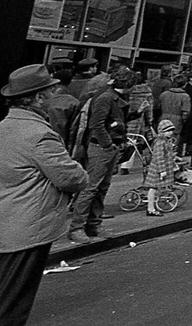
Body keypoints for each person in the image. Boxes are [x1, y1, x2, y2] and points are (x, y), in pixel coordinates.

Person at [0, 65, 90, 325]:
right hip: (27, 227)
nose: (55, 95)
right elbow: (71, 177)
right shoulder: (40, 134)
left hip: (6, 220)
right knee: (13, 302)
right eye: (51, 91)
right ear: (38, 98)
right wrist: (80, 171)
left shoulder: (5, 126)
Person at [68, 70, 132, 243]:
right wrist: (108, 144)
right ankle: (77, 227)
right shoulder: (106, 98)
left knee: (101, 187)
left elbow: (116, 122)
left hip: (109, 145)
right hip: (101, 146)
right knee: (91, 188)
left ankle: (93, 225)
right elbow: (96, 123)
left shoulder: (112, 97)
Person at [143, 119, 178, 217]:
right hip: (157, 169)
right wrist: (162, 170)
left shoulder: (166, 141)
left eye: (171, 130)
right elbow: (159, 158)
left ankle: (152, 207)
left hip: (161, 168)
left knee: (155, 188)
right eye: (167, 131)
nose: (170, 133)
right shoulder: (160, 142)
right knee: (153, 188)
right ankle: (150, 208)